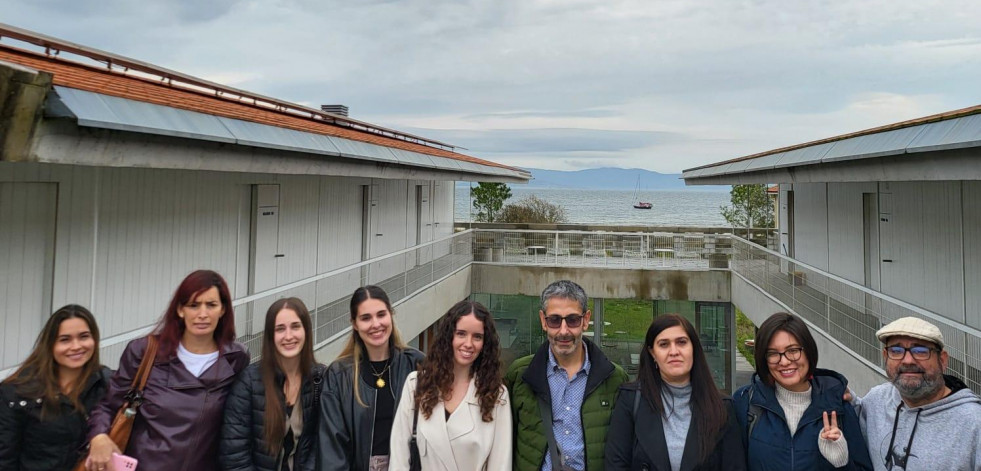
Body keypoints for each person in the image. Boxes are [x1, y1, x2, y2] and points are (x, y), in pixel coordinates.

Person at [85, 269, 250, 471]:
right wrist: (99, 436)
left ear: (223, 310)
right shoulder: (145, 352)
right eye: (193, 305)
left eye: (211, 305)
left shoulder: (236, 358)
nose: (203, 314)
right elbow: (109, 405)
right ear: (180, 310)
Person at [504, 279, 628, 471]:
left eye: (572, 320)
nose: (563, 331)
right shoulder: (520, 374)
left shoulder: (613, 378)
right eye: (554, 320)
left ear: (585, 320)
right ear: (543, 321)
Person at [733, 312, 872, 471]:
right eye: (773, 354)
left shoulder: (837, 406)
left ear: (808, 351)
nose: (784, 361)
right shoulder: (747, 403)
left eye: (792, 350)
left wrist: (842, 463)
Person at [606, 314, 746, 471]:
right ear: (653, 353)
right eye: (664, 344)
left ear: (693, 348)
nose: (674, 351)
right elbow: (616, 465)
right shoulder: (631, 400)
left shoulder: (722, 408)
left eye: (681, 342)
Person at [390, 300, 512, 470]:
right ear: (449, 336)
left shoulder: (496, 395)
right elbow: (398, 458)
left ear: (485, 343)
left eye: (477, 337)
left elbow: (501, 464)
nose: (468, 344)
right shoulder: (416, 385)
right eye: (461, 333)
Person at [851, 316, 981, 471]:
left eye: (920, 351)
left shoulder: (974, 423)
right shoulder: (876, 400)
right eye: (896, 351)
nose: (907, 360)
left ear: (943, 360)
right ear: (885, 357)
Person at [319, 286, 424, 471]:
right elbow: (332, 447)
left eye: (381, 314)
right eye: (366, 318)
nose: (376, 324)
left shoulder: (416, 365)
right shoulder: (339, 375)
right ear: (354, 323)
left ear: (391, 315)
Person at [0, 305, 111, 471]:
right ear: (50, 344)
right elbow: (5, 459)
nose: (76, 346)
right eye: (65, 339)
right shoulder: (17, 392)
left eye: (84, 336)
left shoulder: (107, 384)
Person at [221, 297, 326, 471]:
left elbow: (323, 443)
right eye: (280, 329)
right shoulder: (248, 382)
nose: (288, 336)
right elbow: (234, 454)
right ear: (270, 336)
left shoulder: (321, 379)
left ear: (306, 330)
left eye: (295, 326)